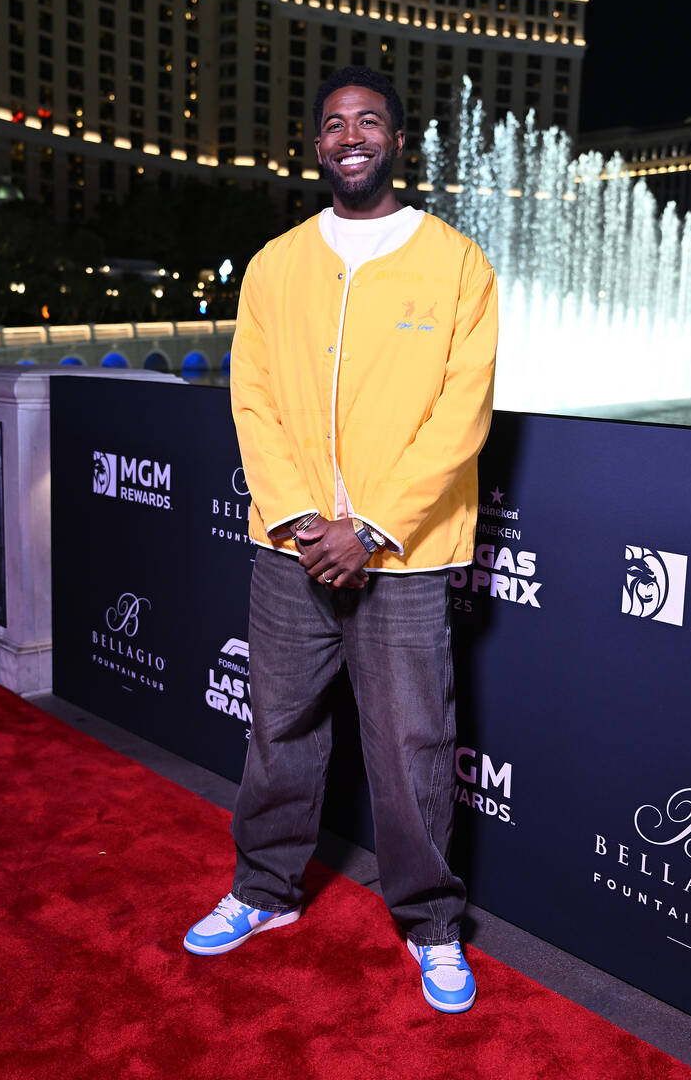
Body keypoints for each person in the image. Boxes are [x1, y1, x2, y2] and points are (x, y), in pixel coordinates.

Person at [184, 66, 498, 1014]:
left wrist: (367, 528)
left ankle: (432, 925)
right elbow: (252, 396)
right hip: (291, 547)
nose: (349, 135)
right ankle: (264, 890)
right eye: (332, 124)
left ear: (396, 140)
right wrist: (299, 517)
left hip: (404, 554)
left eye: (367, 121)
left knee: (410, 745)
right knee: (278, 728)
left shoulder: (458, 264)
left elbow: (461, 415)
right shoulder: (276, 263)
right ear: (316, 145)